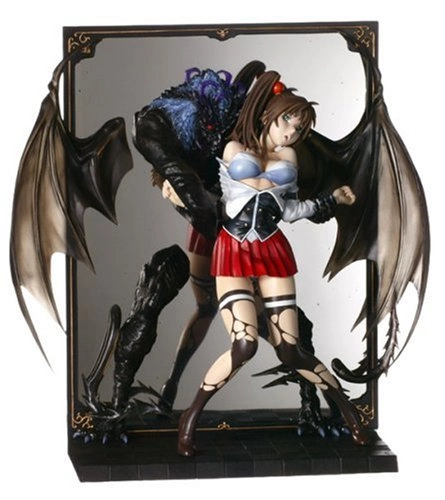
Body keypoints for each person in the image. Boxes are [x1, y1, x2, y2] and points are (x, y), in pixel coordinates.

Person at [176, 70, 370, 456]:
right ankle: (190, 418)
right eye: (288, 123)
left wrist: (331, 201)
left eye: (299, 130)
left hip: (272, 250)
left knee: (290, 350)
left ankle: (349, 414)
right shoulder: (232, 146)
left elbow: (291, 210)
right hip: (232, 248)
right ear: (270, 114)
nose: (292, 134)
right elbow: (204, 183)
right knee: (244, 345)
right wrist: (175, 188)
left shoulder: (289, 157)